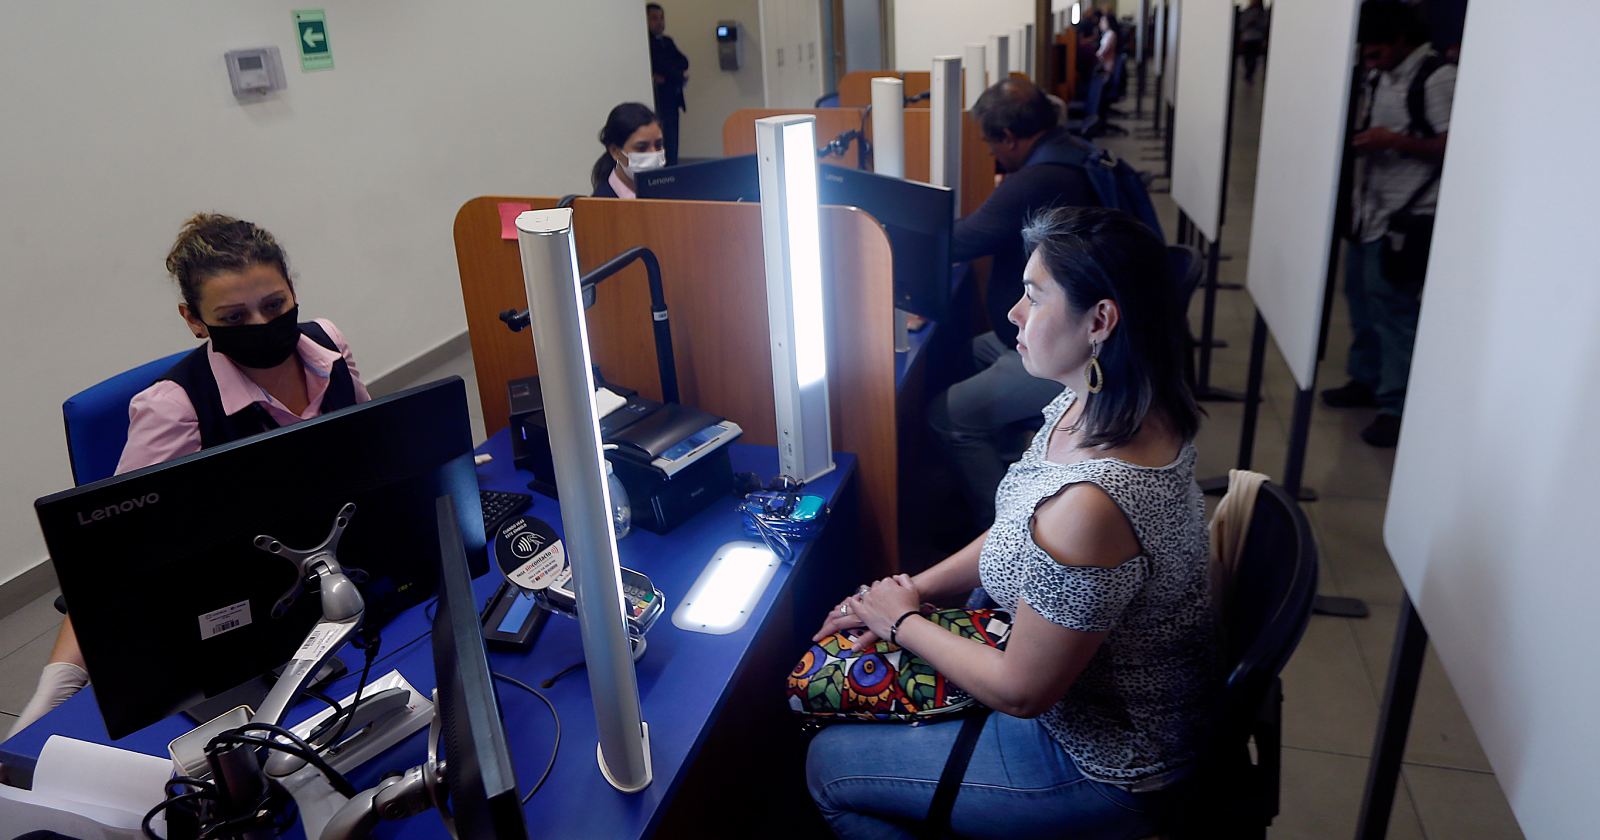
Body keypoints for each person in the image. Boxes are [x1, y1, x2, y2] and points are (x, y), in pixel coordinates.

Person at [808, 207, 1213, 839]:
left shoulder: (1093, 504)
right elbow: (1019, 527)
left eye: (1034, 296)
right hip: (1069, 696)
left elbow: (1024, 693)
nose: (1013, 313)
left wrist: (902, 623)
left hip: (1102, 761)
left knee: (826, 766)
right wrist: (913, 589)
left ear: (1100, 321)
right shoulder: (1100, 402)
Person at [7, 213, 371, 738]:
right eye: (233, 316)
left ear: (293, 291)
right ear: (194, 320)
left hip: (342, 562)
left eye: (274, 305)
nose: (260, 325)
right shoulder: (173, 408)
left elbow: (371, 446)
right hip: (251, 611)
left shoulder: (328, 347)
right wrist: (61, 682)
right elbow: (111, 557)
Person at [928, 78, 1103, 526]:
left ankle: (1003, 527)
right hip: (1059, 336)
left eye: (990, 144)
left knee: (947, 413)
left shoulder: (1038, 180)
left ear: (1008, 137)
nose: (990, 154)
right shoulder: (1070, 153)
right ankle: (1005, 458)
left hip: (1070, 353)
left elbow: (962, 240)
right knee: (964, 353)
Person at [1320, 1, 1453, 447]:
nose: (1370, 61)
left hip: (1407, 216)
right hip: (1368, 211)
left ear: (1400, 40)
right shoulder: (1380, 75)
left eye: (1376, 52)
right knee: (1361, 301)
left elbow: (1454, 143)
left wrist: (1393, 141)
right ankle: (1366, 378)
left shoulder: (1437, 78)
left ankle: (1396, 407)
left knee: (1395, 312)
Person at [591, 102, 665, 199]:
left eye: (658, 145)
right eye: (641, 148)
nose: (653, 153)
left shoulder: (671, 193)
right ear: (615, 151)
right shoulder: (599, 204)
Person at [646, 3, 689, 166]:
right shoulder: (647, 43)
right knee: (662, 141)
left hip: (673, 98)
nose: (659, 22)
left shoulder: (667, 41)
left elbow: (684, 61)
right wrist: (678, 75)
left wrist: (672, 73)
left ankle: (673, 169)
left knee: (672, 141)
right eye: (654, 18)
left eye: (661, 18)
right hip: (659, 99)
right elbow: (661, 65)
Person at [1237, 0, 1270, 84]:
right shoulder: (1246, 11)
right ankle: (1248, 73)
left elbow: (1265, 24)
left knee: (1253, 58)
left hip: (1257, 37)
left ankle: (1250, 74)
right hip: (1247, 37)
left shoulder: (1262, 13)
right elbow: (1241, 24)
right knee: (1247, 57)